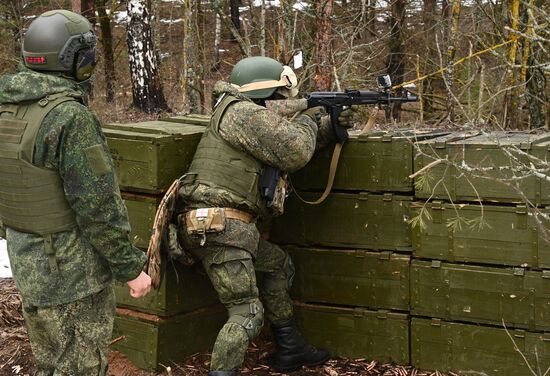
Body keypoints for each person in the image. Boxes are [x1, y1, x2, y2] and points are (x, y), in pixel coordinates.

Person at [175, 56, 353, 376]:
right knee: (247, 313)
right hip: (219, 227)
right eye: (279, 97)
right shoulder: (240, 112)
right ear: (266, 94)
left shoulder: (239, 114)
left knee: (278, 266)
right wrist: (310, 118)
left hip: (225, 228)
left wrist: (329, 125)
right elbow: (295, 150)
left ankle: (290, 347)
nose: (283, 103)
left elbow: (285, 144)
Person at [0, 10, 151, 375]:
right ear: (73, 60)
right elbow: (98, 206)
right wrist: (130, 267)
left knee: (51, 364)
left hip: (29, 266)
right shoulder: (70, 117)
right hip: (74, 278)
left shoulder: (6, 108)